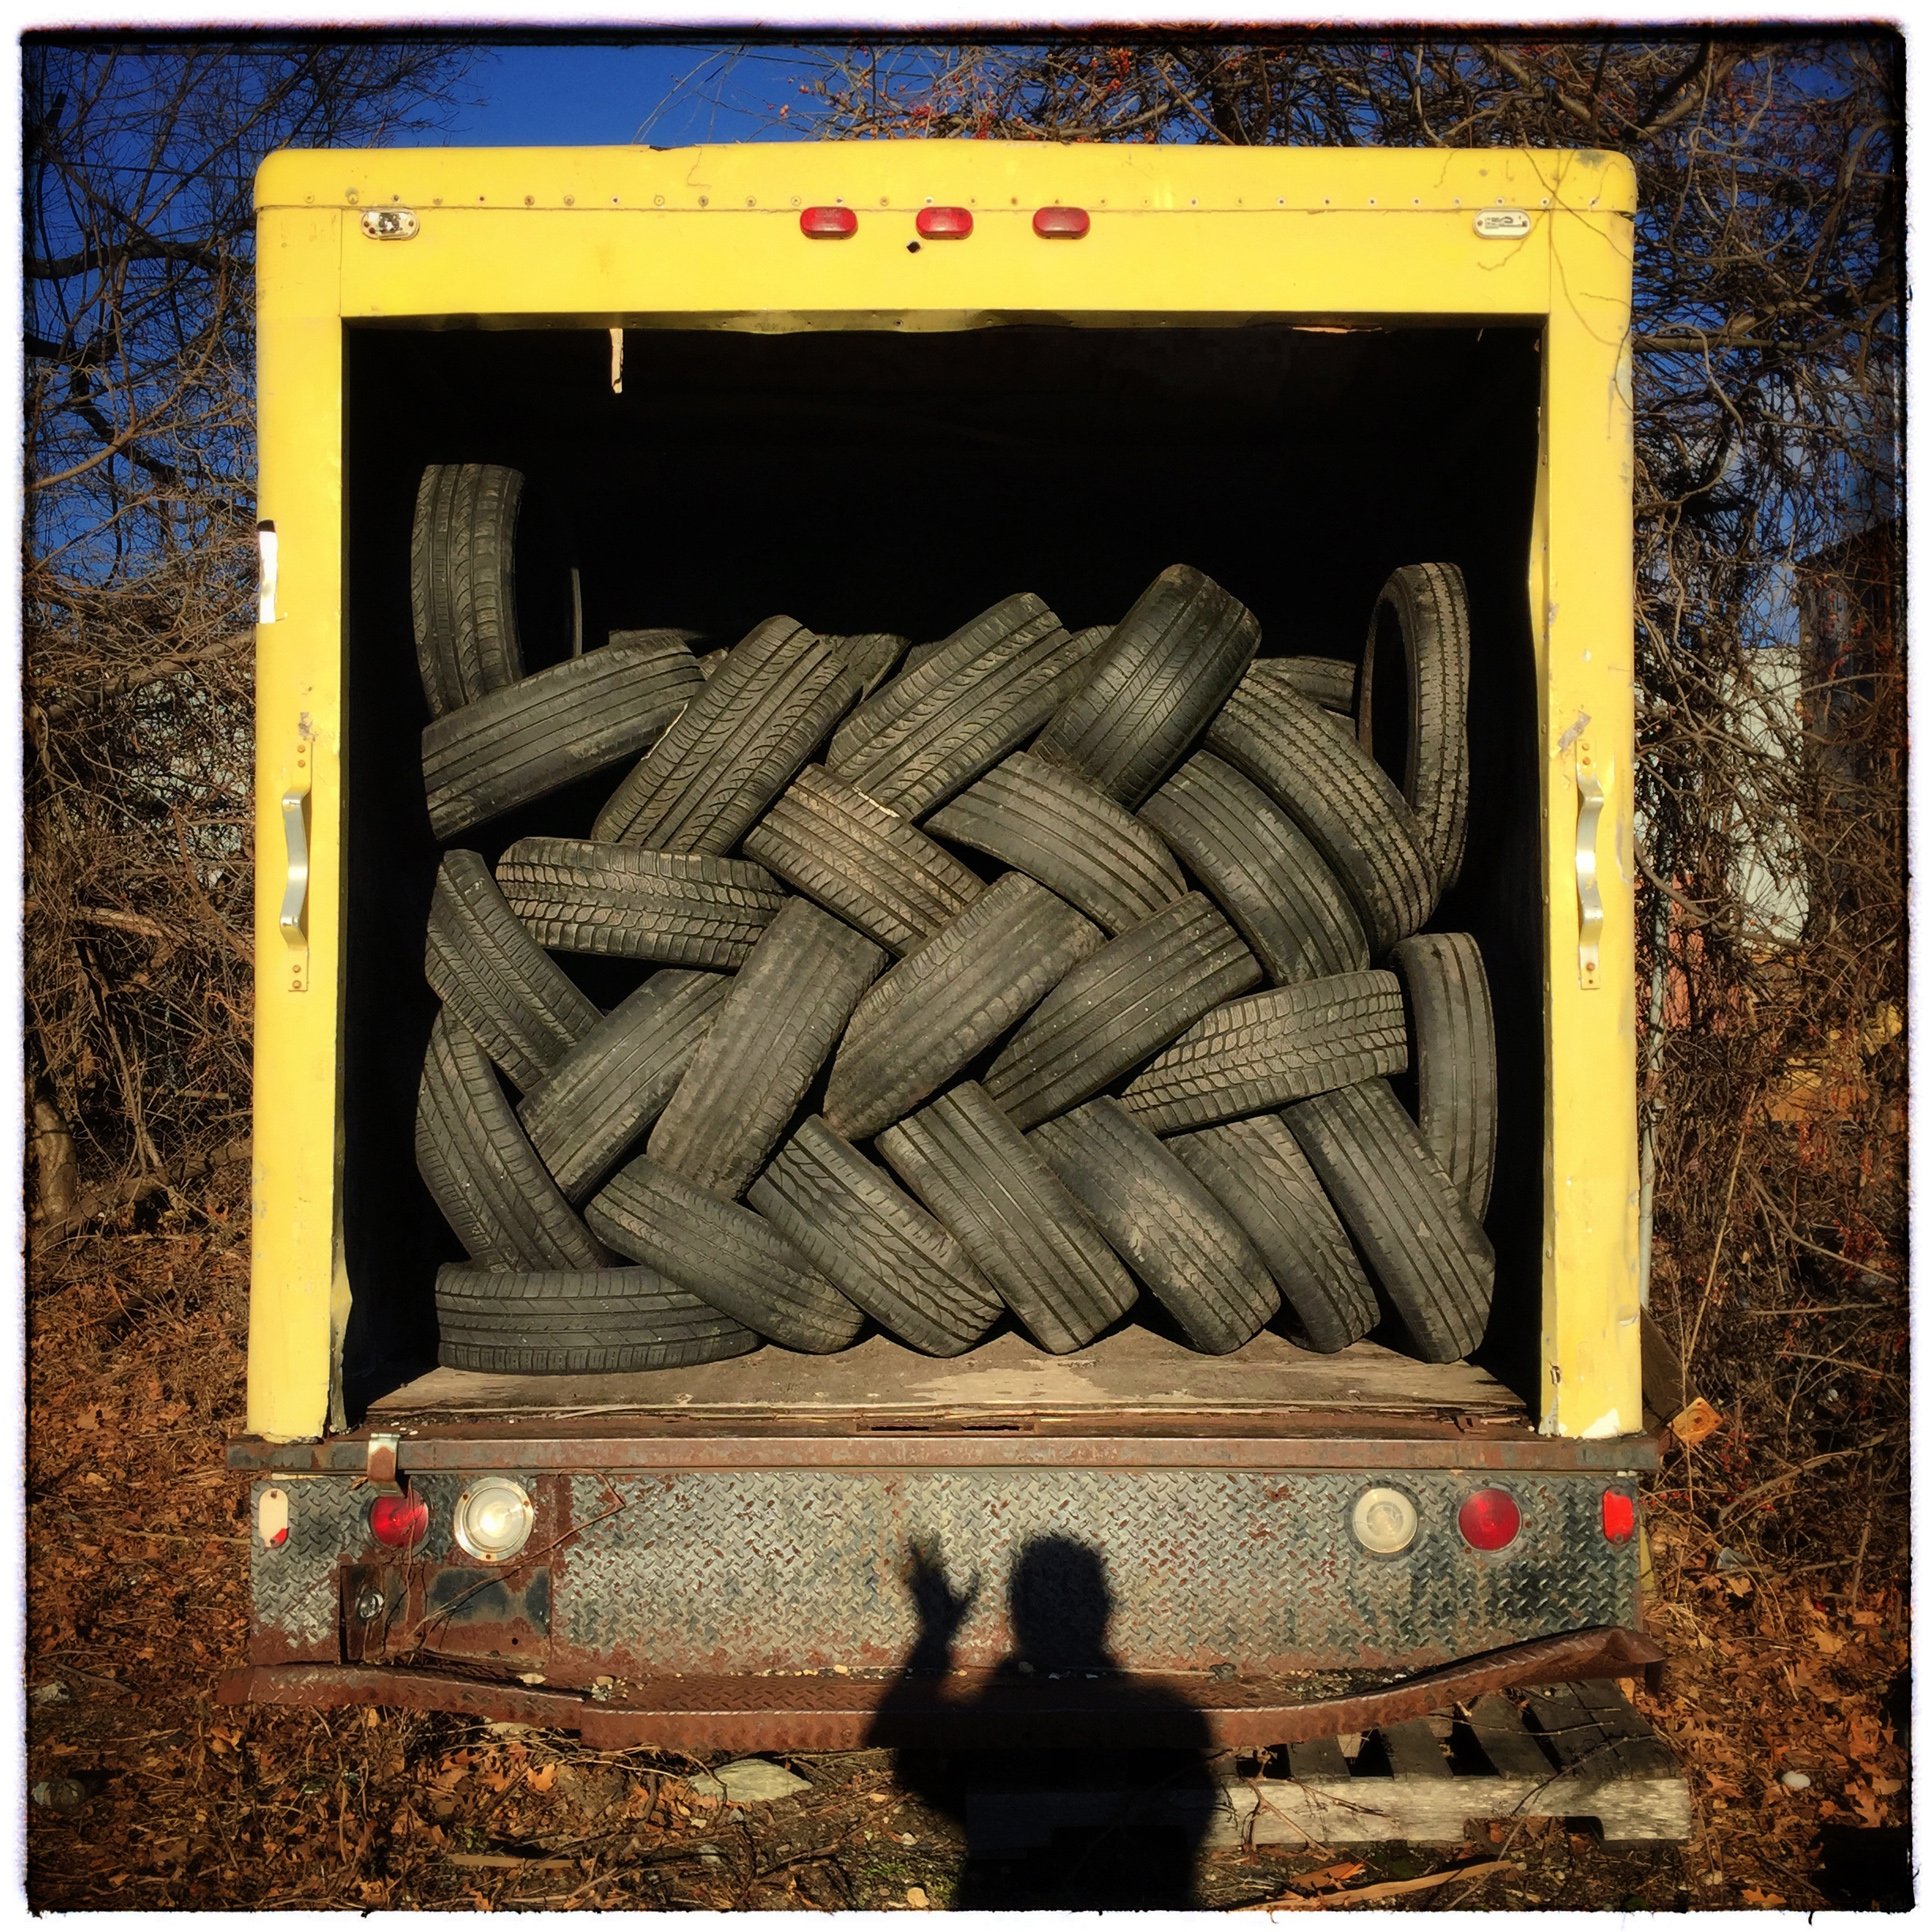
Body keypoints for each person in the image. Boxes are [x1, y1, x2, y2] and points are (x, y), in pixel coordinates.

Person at [866, 1531, 1218, 1908]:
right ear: (1106, 1609)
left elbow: (910, 1761)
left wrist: (935, 1636)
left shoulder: (992, 1704)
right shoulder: (1172, 1715)